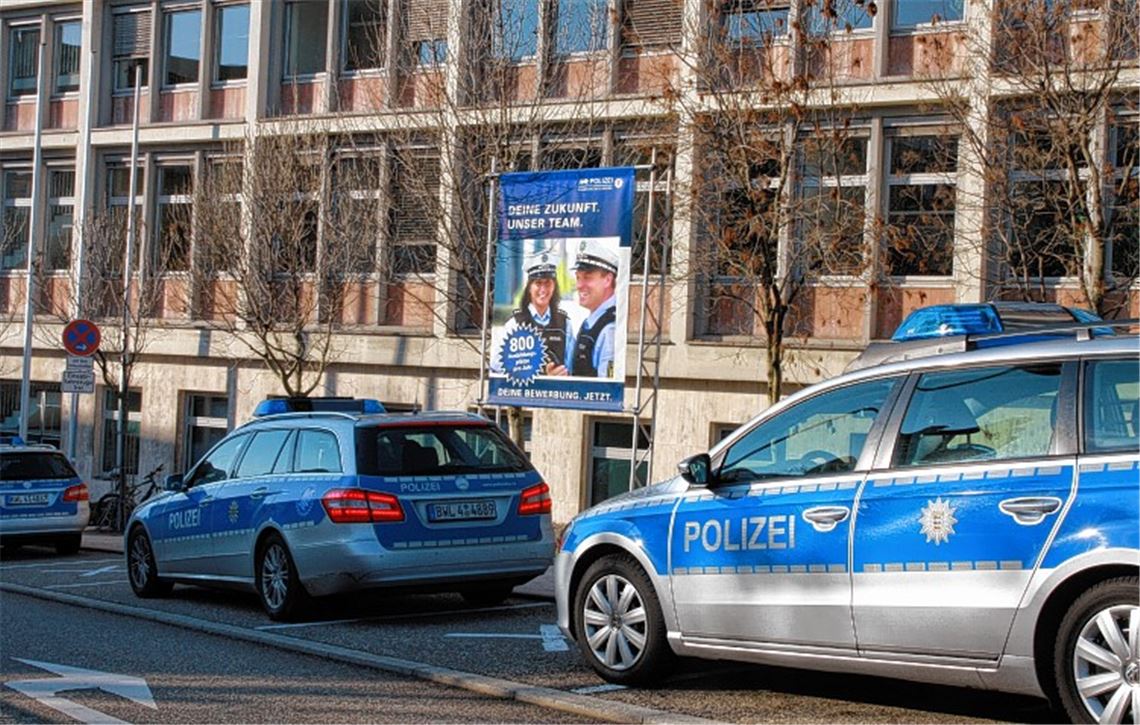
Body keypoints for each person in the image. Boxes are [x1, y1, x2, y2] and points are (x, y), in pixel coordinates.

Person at [492, 247, 575, 376]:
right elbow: (497, 366)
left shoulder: (565, 325)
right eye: (538, 283)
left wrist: (563, 375)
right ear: (529, 287)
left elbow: (572, 368)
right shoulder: (515, 325)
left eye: (548, 283)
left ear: (554, 286)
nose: (543, 289)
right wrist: (542, 377)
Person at [570, 239, 619, 378]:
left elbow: (606, 387)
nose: (579, 285)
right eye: (578, 278)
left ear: (607, 280)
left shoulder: (609, 329)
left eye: (587, 277)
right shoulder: (592, 322)